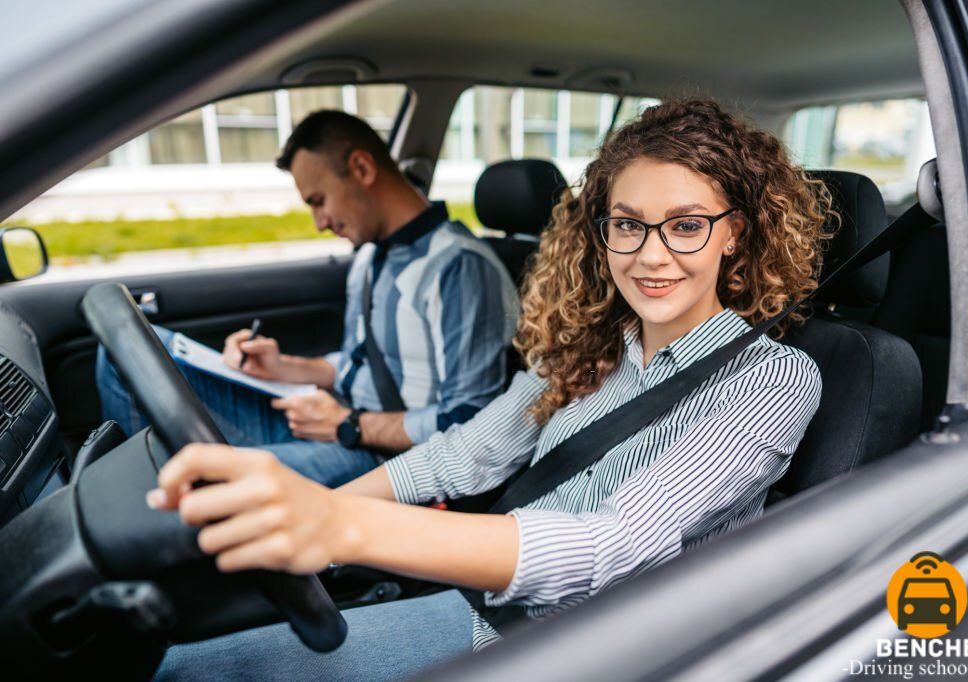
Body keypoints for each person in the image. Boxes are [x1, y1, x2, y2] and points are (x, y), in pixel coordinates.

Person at [150, 98, 831, 680]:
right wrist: (317, 509)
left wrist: (341, 526)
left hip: (593, 650)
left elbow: (611, 546)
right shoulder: (589, 345)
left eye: (686, 225)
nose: (651, 255)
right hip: (486, 605)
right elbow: (465, 453)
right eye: (627, 224)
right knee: (189, 665)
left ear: (735, 234)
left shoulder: (770, 379)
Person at [95, 110, 519, 488]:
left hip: (380, 456)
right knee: (125, 353)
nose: (318, 223)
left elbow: (469, 420)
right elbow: (359, 364)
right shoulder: (371, 255)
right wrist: (284, 366)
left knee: (192, 480)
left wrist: (350, 426)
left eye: (318, 201)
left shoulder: (460, 268)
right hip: (330, 419)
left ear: (361, 168)